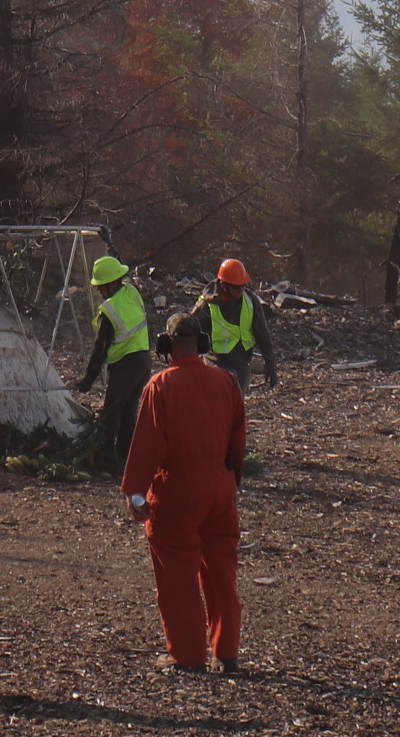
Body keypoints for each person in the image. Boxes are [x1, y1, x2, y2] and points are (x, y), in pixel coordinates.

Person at [123, 310, 248, 676]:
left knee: (177, 573)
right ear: (203, 344)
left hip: (177, 489)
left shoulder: (160, 386)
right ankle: (227, 654)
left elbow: (147, 445)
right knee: (222, 573)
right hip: (220, 489)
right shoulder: (226, 382)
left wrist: (135, 493)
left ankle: (189, 656)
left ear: (166, 346)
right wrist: (230, 484)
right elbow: (238, 441)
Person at [74, 255, 155, 466]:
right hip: (144, 361)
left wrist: (87, 381)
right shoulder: (131, 291)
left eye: (100, 286)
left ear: (110, 283)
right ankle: (125, 458)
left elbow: (100, 349)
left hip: (126, 364)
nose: (98, 291)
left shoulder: (109, 310)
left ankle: (107, 459)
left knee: (111, 412)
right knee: (128, 412)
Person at [181, 259, 278, 393]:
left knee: (236, 407)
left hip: (242, 363)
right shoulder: (207, 305)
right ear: (223, 284)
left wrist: (271, 365)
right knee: (228, 400)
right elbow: (189, 333)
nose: (241, 290)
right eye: (236, 287)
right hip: (217, 363)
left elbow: (263, 336)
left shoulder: (250, 302)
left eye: (243, 286)